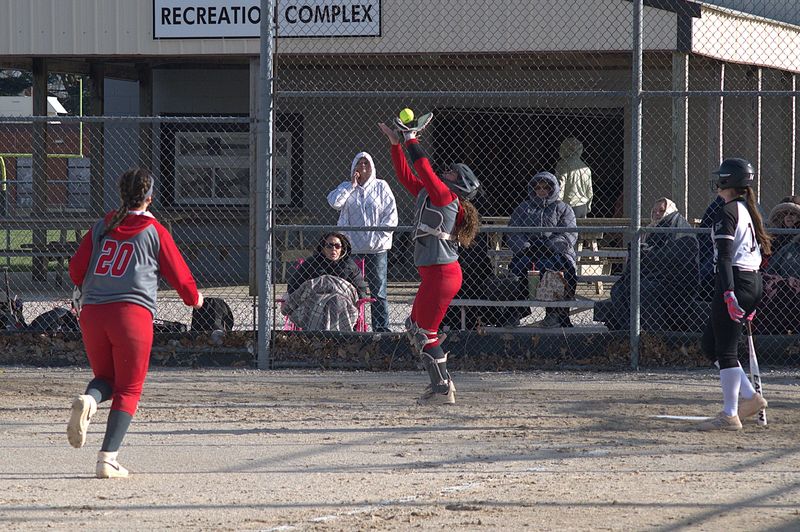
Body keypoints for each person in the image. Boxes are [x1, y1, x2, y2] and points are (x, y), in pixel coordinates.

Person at [67, 168, 204, 478]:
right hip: (131, 315)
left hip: (92, 314)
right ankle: (107, 459)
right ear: (150, 198)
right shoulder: (155, 230)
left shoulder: (102, 225)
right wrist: (196, 299)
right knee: (129, 389)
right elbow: (182, 280)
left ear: (121, 195)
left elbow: (76, 271)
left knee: (106, 379)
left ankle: (90, 399)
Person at [378, 119, 480, 405]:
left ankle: (442, 389)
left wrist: (411, 138)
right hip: (436, 273)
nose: (443, 172)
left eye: (450, 172)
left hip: (442, 274)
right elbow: (406, 176)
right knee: (414, 327)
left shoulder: (446, 196)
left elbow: (422, 166)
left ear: (457, 183)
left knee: (424, 332)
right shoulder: (434, 195)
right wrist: (396, 145)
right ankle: (442, 383)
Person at [697, 158, 771, 431]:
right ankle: (750, 397)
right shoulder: (748, 209)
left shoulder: (727, 211)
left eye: (721, 178)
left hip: (735, 281)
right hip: (751, 281)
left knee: (726, 351)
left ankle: (730, 414)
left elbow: (726, 258)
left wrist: (728, 293)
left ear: (728, 181)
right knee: (710, 345)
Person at [327, 152, 398, 332]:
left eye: (367, 163)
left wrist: (378, 239)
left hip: (377, 249)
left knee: (378, 292)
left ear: (372, 166)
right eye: (360, 163)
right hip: (353, 249)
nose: (363, 166)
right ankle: (349, 327)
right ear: (354, 167)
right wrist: (352, 185)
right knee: (349, 291)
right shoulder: (346, 187)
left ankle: (381, 330)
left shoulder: (382, 187)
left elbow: (391, 216)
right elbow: (334, 202)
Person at [604, 198, 698, 331]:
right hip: (652, 275)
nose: (657, 214)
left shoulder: (677, 227)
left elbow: (672, 256)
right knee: (618, 289)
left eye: (661, 211)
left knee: (644, 290)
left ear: (670, 211)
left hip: (673, 281)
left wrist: (646, 252)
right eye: (654, 211)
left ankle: (655, 333)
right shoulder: (651, 230)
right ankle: (628, 330)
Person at [502, 171, 577, 328]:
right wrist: (525, 247)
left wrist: (551, 246)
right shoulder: (523, 208)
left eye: (546, 188)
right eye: (538, 188)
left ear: (553, 189)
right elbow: (513, 232)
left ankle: (555, 314)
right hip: (529, 252)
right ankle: (514, 312)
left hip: (555, 252)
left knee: (558, 268)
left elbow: (568, 233)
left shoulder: (563, 208)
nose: (542, 191)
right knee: (517, 268)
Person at [282, 232, 369, 331]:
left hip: (342, 303)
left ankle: (319, 338)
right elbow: (293, 286)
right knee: (325, 289)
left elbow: (361, 291)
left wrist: (337, 289)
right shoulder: (311, 264)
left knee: (335, 299)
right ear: (322, 248)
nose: (333, 249)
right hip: (314, 301)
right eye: (329, 246)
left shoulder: (350, 266)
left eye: (337, 246)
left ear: (342, 248)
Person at [555, 137, 593, 219]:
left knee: (567, 231)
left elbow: (560, 186)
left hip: (569, 206)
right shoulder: (585, 168)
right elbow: (589, 191)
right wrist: (588, 207)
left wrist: (557, 205)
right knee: (580, 231)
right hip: (583, 206)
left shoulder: (563, 165)